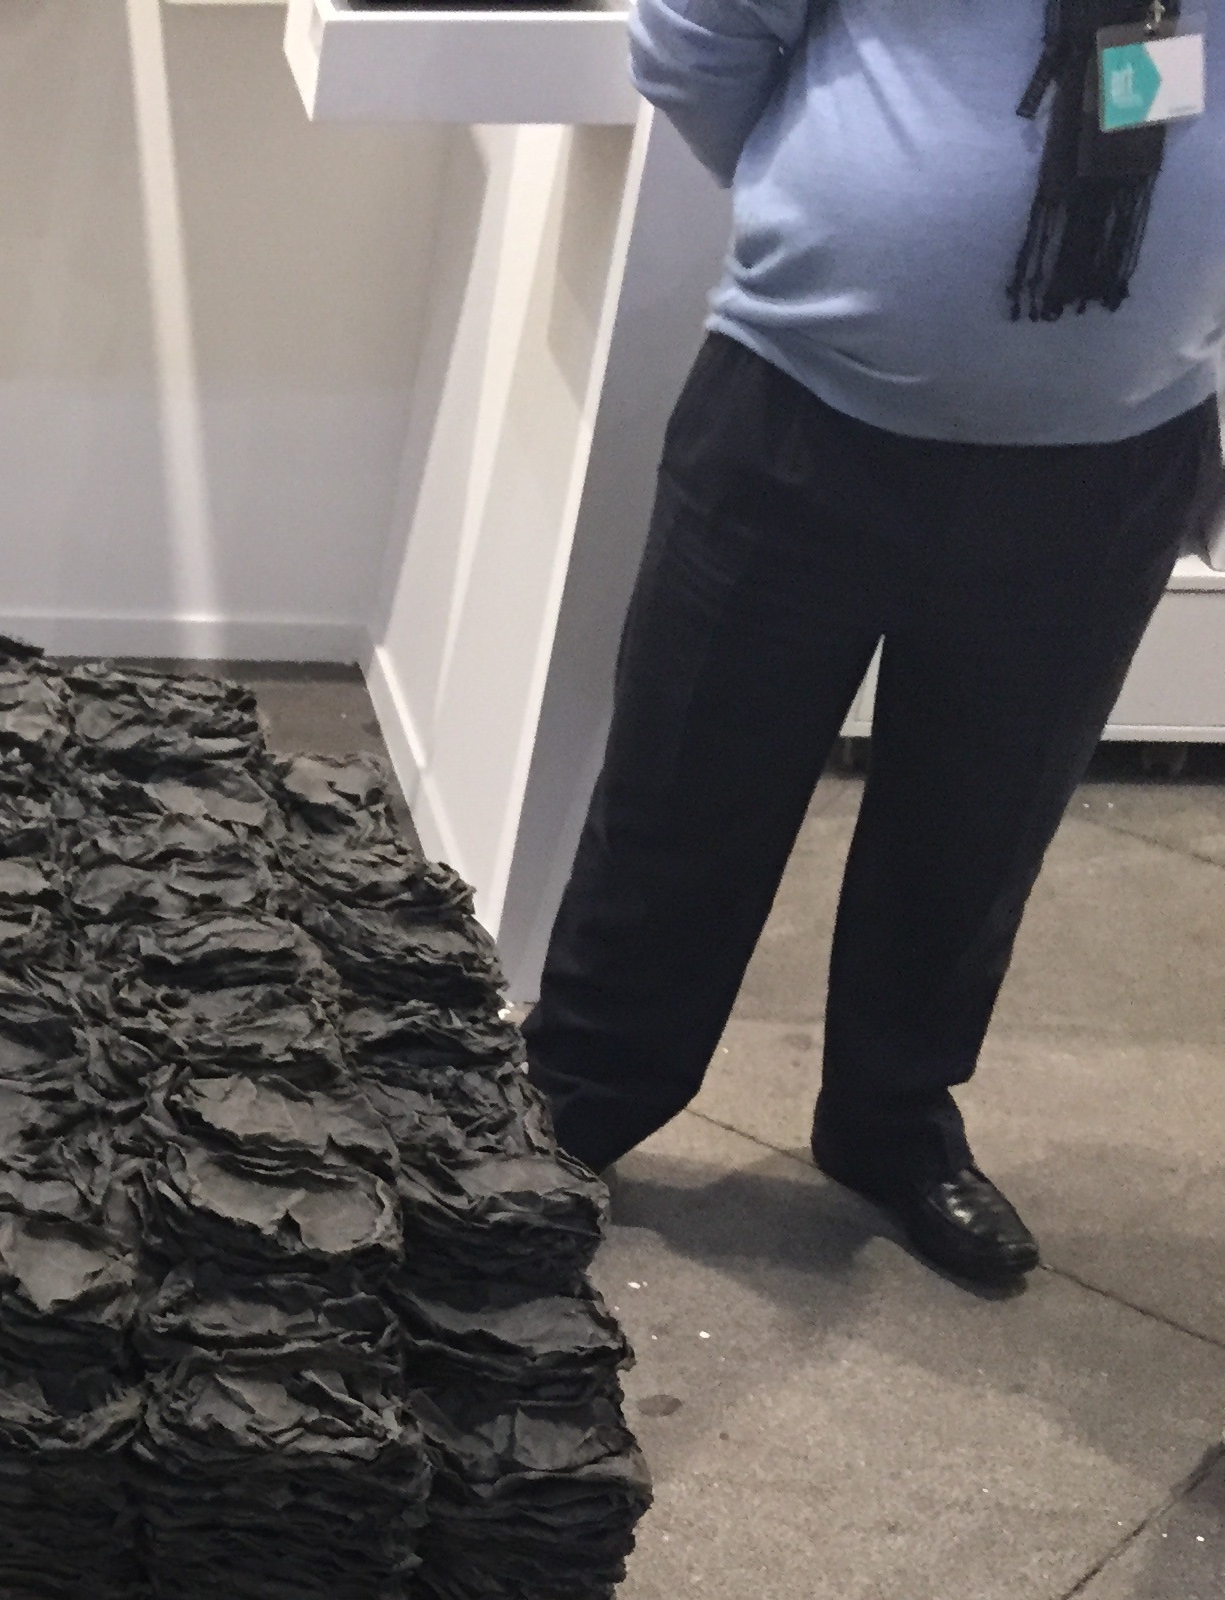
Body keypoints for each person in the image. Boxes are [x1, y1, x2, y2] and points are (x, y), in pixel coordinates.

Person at [519, 0, 1225, 1283]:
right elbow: (695, 42)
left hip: (1112, 447)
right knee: (689, 783)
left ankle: (891, 1115)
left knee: (982, 819)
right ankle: (579, 1093)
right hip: (804, 407)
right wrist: (845, 203)